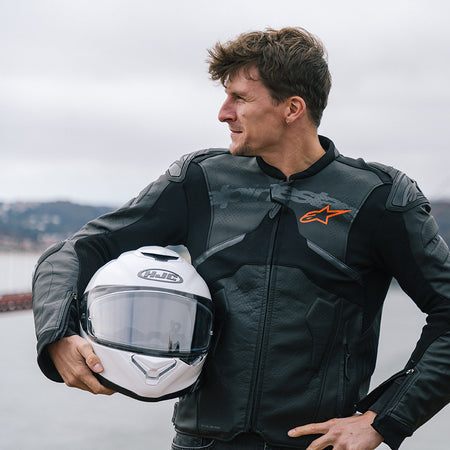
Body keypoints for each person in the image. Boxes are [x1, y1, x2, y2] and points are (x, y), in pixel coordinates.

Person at [32, 27, 450, 450]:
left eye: (240, 98)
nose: (223, 113)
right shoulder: (200, 180)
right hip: (200, 441)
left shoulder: (378, 198)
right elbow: (75, 251)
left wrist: (382, 420)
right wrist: (57, 335)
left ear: (292, 108)